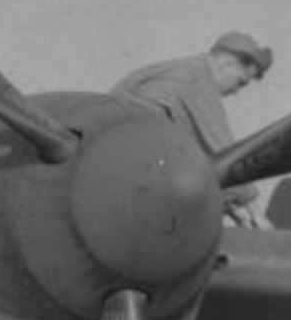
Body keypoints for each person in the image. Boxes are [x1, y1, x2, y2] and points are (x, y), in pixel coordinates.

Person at [116, 31, 273, 217]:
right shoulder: (195, 80)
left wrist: (231, 204)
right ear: (226, 64)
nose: (236, 91)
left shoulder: (179, 70)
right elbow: (224, 151)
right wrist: (253, 206)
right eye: (240, 82)